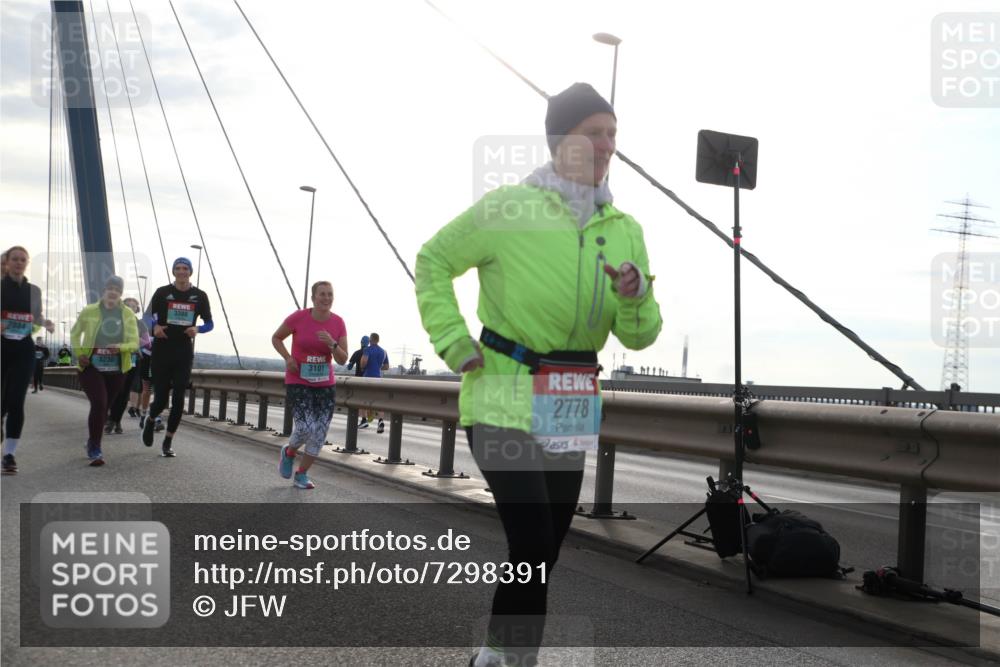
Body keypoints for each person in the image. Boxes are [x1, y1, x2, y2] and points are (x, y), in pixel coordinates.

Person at [415, 83, 662, 667]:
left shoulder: (624, 228)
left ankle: (508, 653)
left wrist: (632, 295)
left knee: (546, 546)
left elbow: (640, 334)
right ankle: (499, 657)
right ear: (560, 141)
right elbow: (432, 261)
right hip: (502, 396)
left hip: (571, 399)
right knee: (529, 540)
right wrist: (453, 341)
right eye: (594, 132)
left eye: (612, 134)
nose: (607, 145)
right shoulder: (508, 208)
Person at [271, 281, 348, 490]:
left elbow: (342, 359)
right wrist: (287, 357)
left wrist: (332, 343)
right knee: (306, 428)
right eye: (322, 294)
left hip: (325, 385)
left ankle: (302, 474)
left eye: (330, 294)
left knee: (320, 432)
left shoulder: (338, 323)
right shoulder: (299, 317)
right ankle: (289, 452)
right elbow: (276, 338)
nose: (326, 298)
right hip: (298, 380)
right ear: (313, 297)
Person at [141, 257, 213, 457]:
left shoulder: (200, 296)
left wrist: (197, 328)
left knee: (179, 398)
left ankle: (168, 441)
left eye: (185, 268)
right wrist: (154, 327)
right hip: (162, 350)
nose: (181, 272)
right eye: (178, 268)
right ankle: (150, 419)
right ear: (173, 272)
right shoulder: (162, 292)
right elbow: (146, 317)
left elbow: (210, 323)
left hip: (183, 351)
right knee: (162, 397)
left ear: (190, 271)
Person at [70, 276, 139, 466]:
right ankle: (96, 448)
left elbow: (134, 343)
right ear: (104, 290)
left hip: (117, 368)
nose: (113, 291)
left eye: (117, 289)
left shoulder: (127, 315)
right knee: (99, 403)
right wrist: (79, 354)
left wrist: (121, 347)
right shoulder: (90, 311)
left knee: (104, 408)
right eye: (110, 287)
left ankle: (92, 441)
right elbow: (75, 333)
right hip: (90, 366)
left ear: (120, 293)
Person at [1, 246, 55, 473]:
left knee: (16, 402)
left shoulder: (34, 291)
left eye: (23, 259)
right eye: (15, 259)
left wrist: (46, 323)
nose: (19, 263)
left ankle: (10, 455)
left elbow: (36, 316)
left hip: (24, 349)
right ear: (7, 262)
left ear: (27, 263)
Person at [105, 297, 149, 433]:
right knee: (114, 390)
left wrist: (132, 341)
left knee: (124, 392)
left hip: (133, 359)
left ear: (137, 309)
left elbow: (147, 342)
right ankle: (114, 420)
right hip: (114, 359)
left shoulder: (141, 324)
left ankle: (115, 421)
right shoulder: (115, 321)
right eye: (127, 304)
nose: (130, 307)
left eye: (133, 305)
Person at [359, 332, 389, 433]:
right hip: (378, 378)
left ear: (370, 340)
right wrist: (377, 367)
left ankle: (364, 420)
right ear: (378, 340)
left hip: (367, 377)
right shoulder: (383, 352)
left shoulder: (367, 349)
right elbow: (386, 367)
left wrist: (364, 366)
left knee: (362, 399)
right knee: (378, 400)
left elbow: (363, 363)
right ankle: (380, 420)